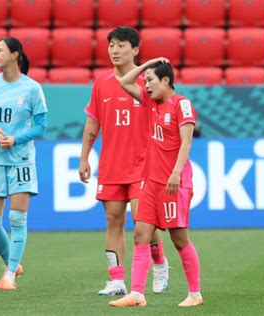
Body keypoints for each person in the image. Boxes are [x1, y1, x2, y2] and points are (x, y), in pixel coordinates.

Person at [79, 26, 169, 296]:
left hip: (144, 165)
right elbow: (93, 121)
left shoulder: (148, 83)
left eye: (121, 46)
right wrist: (84, 156)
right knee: (113, 220)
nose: (115, 51)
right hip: (111, 164)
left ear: (136, 50)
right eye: (111, 46)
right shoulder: (101, 82)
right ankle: (117, 280)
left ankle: (160, 263)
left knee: (143, 221)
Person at [109, 58, 203, 307]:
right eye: (146, 81)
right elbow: (124, 81)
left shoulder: (181, 105)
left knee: (179, 239)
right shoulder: (150, 102)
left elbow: (186, 143)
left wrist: (176, 173)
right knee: (141, 234)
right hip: (150, 182)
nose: (146, 85)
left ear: (166, 80)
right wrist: (148, 64)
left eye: (151, 80)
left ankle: (195, 294)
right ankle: (137, 295)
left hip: (173, 182)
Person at [0, 37, 47, 290]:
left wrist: (17, 138)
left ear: (15, 54)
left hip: (21, 160)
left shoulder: (31, 88)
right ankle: (12, 263)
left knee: (17, 220)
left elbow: (41, 126)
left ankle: (8, 276)